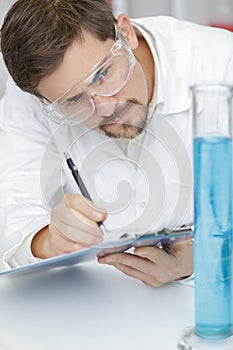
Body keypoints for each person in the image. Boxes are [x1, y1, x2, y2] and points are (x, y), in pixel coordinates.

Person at [0, 0, 233, 285]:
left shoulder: (222, 63)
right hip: (100, 307)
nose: (106, 108)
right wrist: (48, 241)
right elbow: (13, 212)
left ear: (126, 32)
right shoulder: (36, 93)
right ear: (43, 100)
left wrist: (206, 259)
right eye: (73, 100)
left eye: (103, 74)